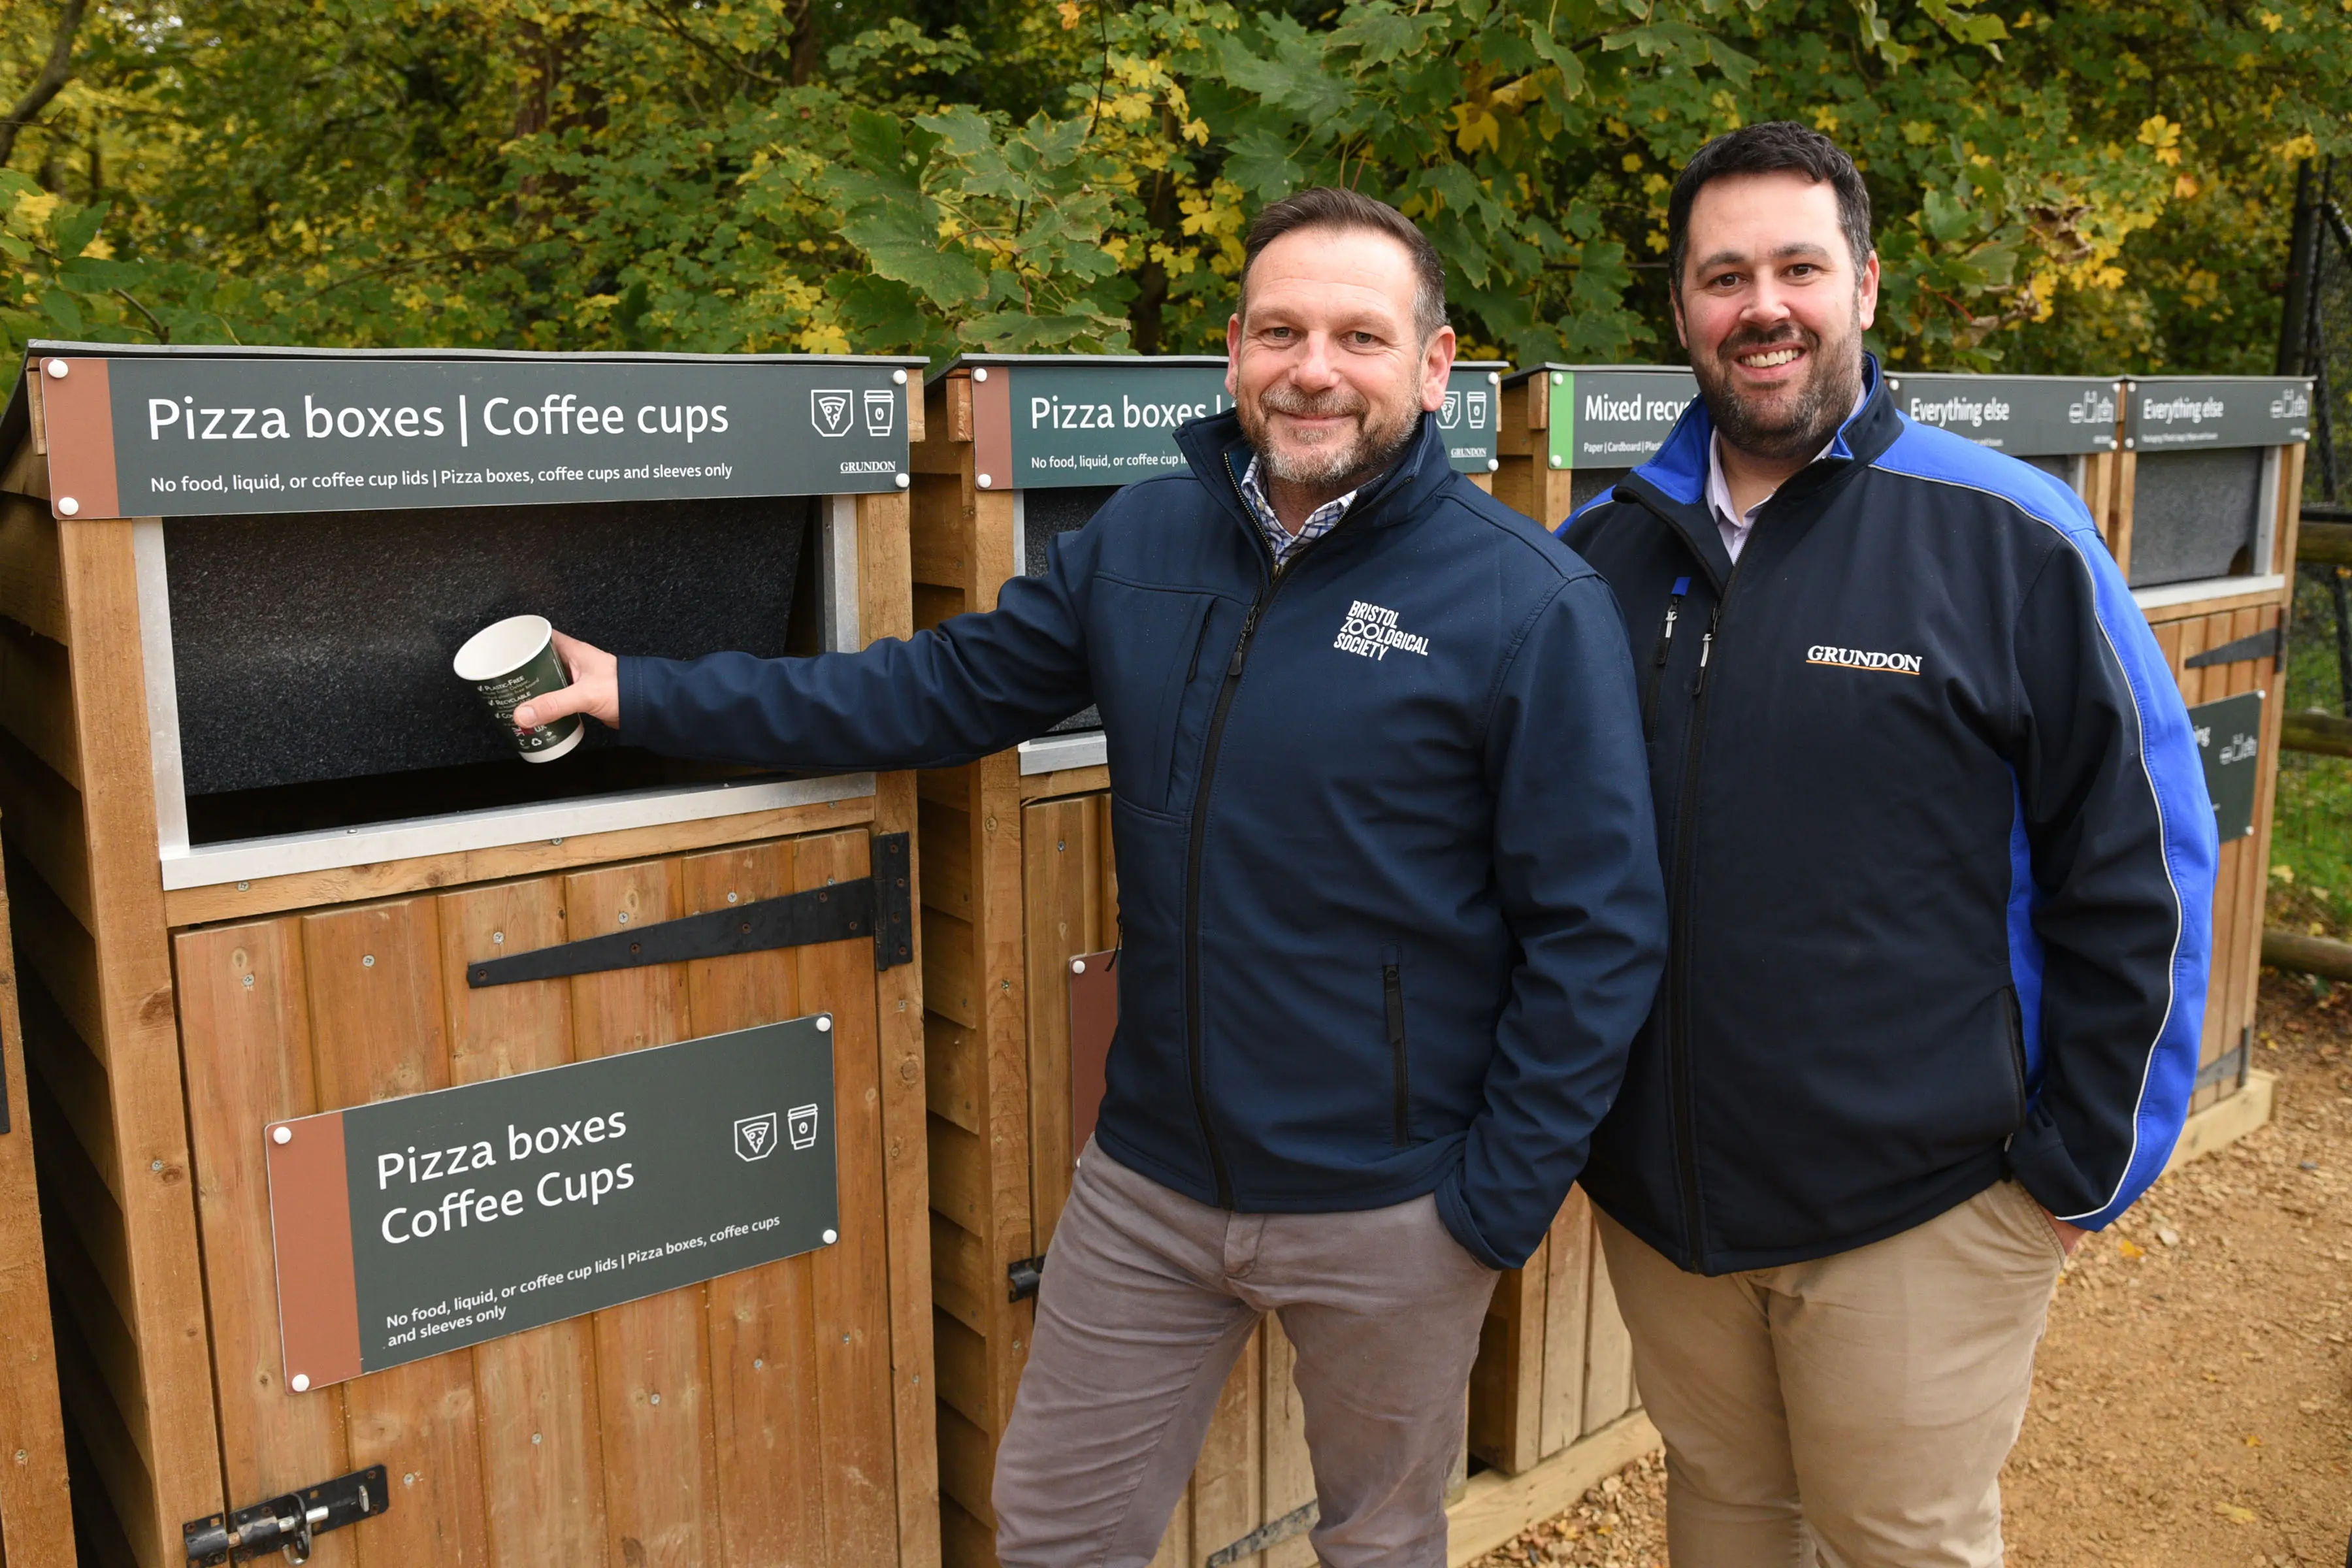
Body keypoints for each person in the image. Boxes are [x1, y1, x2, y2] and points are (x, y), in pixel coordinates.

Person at [517, 186, 1667, 1568]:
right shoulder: (1141, 542)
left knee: (1378, 1540)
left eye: (1361, 337)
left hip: (1393, 1207)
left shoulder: (1526, 603)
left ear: (1432, 366)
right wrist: (643, 693)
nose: (1314, 368)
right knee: (1057, 1532)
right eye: (1280, 330)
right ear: (1234, 352)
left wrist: (1490, 1206)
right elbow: (931, 693)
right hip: (1153, 1184)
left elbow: (1598, 934)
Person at [1561, 122, 2218, 1567]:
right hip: (1671, 1210)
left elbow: (2146, 867)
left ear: (1865, 284)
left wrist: (2076, 1174)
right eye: (1723, 276)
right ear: (1682, 311)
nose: (1763, 307)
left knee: (1899, 1547)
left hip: (1924, 1211)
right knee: (1726, 1526)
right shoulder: (1598, 554)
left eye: (1799, 266)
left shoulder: (2011, 537)